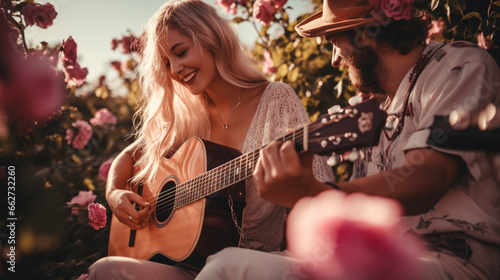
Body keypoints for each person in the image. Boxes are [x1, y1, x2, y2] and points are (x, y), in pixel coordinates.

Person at [198, 0, 500, 279]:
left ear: (366, 32)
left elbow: (429, 176)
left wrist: (319, 194)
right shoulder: (374, 110)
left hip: (450, 262)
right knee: (225, 261)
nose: (334, 60)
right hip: (372, 257)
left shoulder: (459, 65)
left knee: (228, 268)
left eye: (334, 41)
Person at [86, 0, 334, 279]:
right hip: (191, 267)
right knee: (103, 270)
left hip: (249, 265)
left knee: (221, 266)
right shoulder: (185, 116)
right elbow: (131, 155)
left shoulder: (275, 99)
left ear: (212, 38)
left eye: (181, 52)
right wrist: (115, 192)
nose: (176, 69)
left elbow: (321, 186)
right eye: (167, 63)